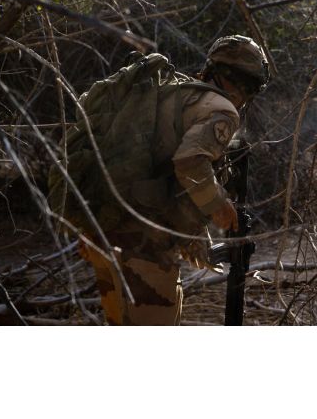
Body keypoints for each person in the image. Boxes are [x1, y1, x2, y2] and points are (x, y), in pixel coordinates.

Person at [64, 35, 269, 325]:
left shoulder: (174, 92)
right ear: (248, 84)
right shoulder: (222, 109)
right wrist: (218, 205)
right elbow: (189, 162)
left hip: (102, 227)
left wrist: (194, 233)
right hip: (143, 243)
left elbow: (159, 167)